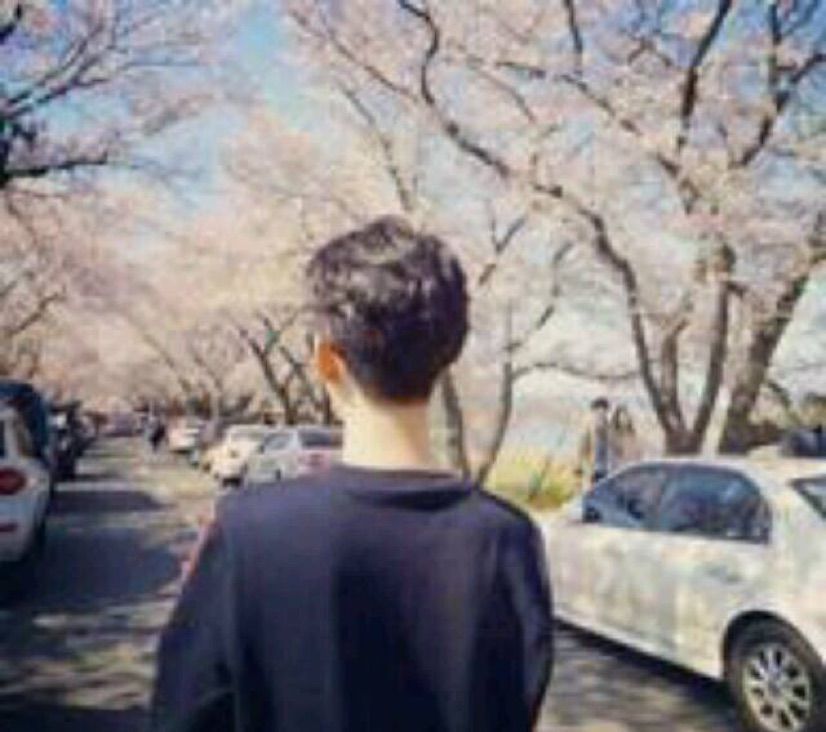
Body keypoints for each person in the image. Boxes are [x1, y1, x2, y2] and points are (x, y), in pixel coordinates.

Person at [151, 216, 554, 732]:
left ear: (326, 360)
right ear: (449, 353)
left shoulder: (247, 530)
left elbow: (183, 714)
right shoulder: (507, 539)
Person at [576, 397, 612, 488]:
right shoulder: (591, 424)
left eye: (604, 410)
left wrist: (579, 463)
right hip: (596, 466)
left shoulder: (606, 425)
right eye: (600, 410)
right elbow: (583, 445)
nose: (602, 413)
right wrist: (579, 464)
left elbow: (582, 445)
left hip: (600, 466)